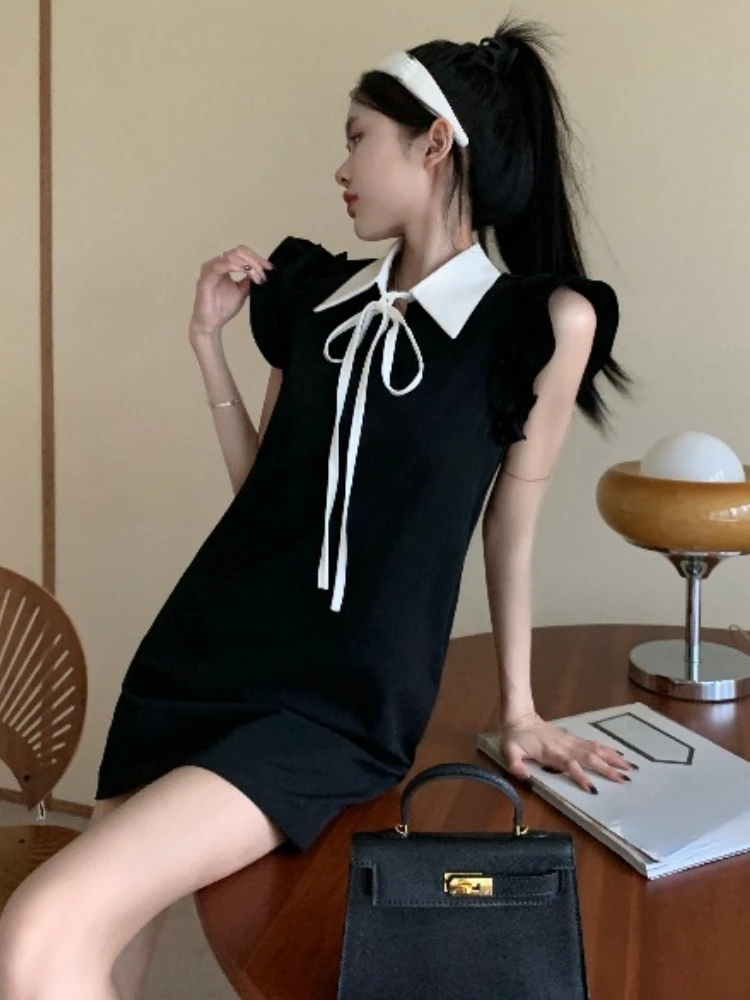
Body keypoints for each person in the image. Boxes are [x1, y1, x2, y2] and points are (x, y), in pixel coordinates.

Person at [0, 15, 635, 1000]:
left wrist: (519, 708)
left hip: (335, 704)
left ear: (433, 143)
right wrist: (209, 348)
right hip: (198, 654)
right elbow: (266, 499)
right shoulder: (312, 296)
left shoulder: (539, 323)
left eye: (356, 137)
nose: (341, 165)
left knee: (38, 928)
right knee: (88, 942)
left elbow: (508, 525)